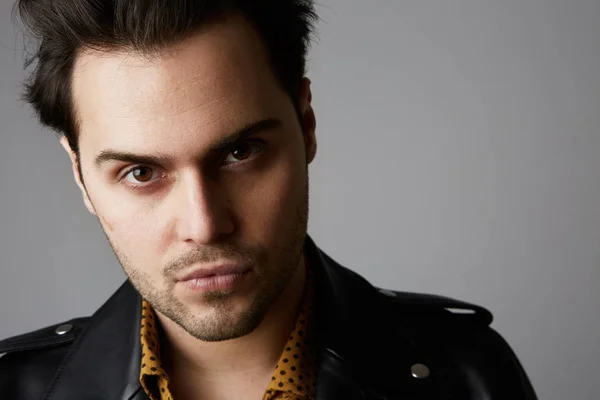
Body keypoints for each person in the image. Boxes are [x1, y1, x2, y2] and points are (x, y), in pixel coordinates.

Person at [0, 1, 538, 399]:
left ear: (305, 124)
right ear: (79, 173)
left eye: (240, 152)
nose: (204, 224)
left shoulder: (467, 375)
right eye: (140, 172)